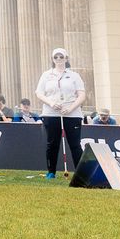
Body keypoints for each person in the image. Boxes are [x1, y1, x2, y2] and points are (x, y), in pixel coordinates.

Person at [35, 47, 86, 177]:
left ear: (66, 59)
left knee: (75, 144)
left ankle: (80, 173)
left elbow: (81, 95)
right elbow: (39, 93)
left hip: (72, 114)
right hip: (51, 113)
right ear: (52, 59)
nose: (58, 59)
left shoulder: (74, 75)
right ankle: (51, 172)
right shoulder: (46, 75)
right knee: (52, 143)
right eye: (56, 57)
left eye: (61, 57)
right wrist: (51, 103)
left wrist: (71, 108)